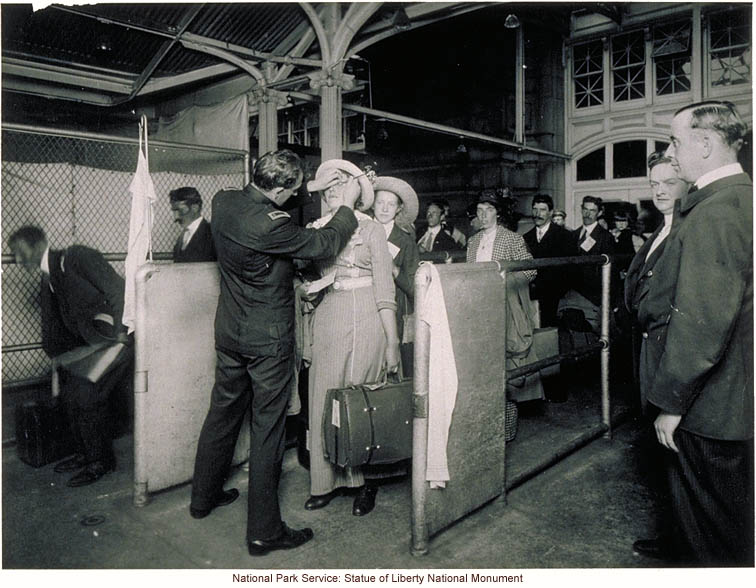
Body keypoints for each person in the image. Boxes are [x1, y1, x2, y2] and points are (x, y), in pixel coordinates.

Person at [189, 149, 359, 557]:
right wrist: (346, 206)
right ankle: (264, 532)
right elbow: (323, 242)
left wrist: (313, 188)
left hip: (230, 332)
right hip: (267, 339)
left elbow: (270, 201)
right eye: (296, 189)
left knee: (222, 413)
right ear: (282, 190)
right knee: (267, 430)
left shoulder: (225, 200)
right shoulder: (272, 227)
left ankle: (203, 498)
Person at [633, 101, 753, 566]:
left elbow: (703, 321)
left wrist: (671, 403)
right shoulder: (739, 198)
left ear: (704, 143)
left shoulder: (715, 212)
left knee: (715, 541)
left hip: (710, 407)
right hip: (730, 397)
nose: (671, 151)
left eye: (676, 141)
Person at [304, 160, 400, 518]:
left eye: (340, 185)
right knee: (324, 397)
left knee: (362, 400)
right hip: (328, 317)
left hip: (367, 320)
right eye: (327, 186)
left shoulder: (372, 230)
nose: (332, 191)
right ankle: (324, 483)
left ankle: (365, 483)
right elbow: (304, 275)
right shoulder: (316, 229)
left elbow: (385, 288)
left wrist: (391, 342)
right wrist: (306, 289)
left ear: (355, 192)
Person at [8, 226, 133, 487]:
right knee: (71, 393)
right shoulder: (49, 274)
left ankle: (100, 462)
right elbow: (54, 325)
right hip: (95, 343)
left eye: (20, 253)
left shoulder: (75, 257)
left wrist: (121, 332)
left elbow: (118, 290)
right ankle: (85, 454)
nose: (18, 260)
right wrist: (61, 358)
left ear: (37, 245)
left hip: (116, 339)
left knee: (86, 394)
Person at [372, 175, 421, 375]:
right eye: (380, 202)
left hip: (394, 315)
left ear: (398, 208)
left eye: (391, 204)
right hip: (363, 310)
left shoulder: (405, 241)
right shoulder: (359, 231)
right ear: (371, 204)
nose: (384, 209)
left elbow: (414, 288)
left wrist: (394, 269)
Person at [523, 194, 576, 327]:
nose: (537, 214)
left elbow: (571, 270)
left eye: (542, 210)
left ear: (551, 212)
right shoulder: (525, 238)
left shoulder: (565, 236)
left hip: (556, 298)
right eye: (535, 209)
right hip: (531, 297)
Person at [169, 187, 216, 262]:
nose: (176, 217)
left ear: (195, 208)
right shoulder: (182, 236)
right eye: (174, 211)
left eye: (180, 210)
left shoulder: (212, 234)